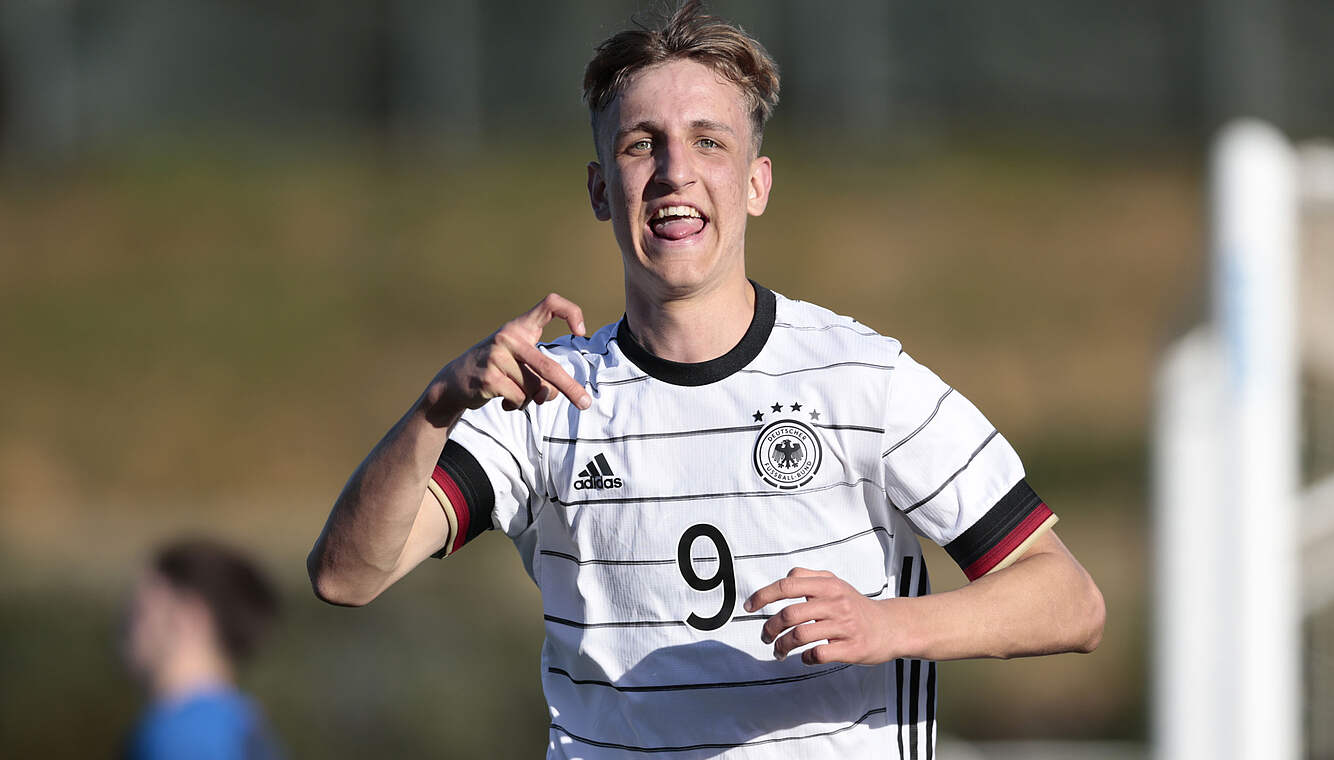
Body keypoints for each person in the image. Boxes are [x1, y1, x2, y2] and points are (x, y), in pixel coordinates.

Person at [307, 2, 1105, 756]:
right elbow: (347, 576)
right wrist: (438, 405)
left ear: (756, 184)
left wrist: (887, 625)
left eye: (709, 142)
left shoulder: (862, 378)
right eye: (640, 144)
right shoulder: (544, 397)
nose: (674, 172)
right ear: (601, 190)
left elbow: (1069, 601)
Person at [122, 539, 282, 760]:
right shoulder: (244, 724)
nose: (125, 627)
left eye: (140, 612)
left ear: (187, 616)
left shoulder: (180, 739)